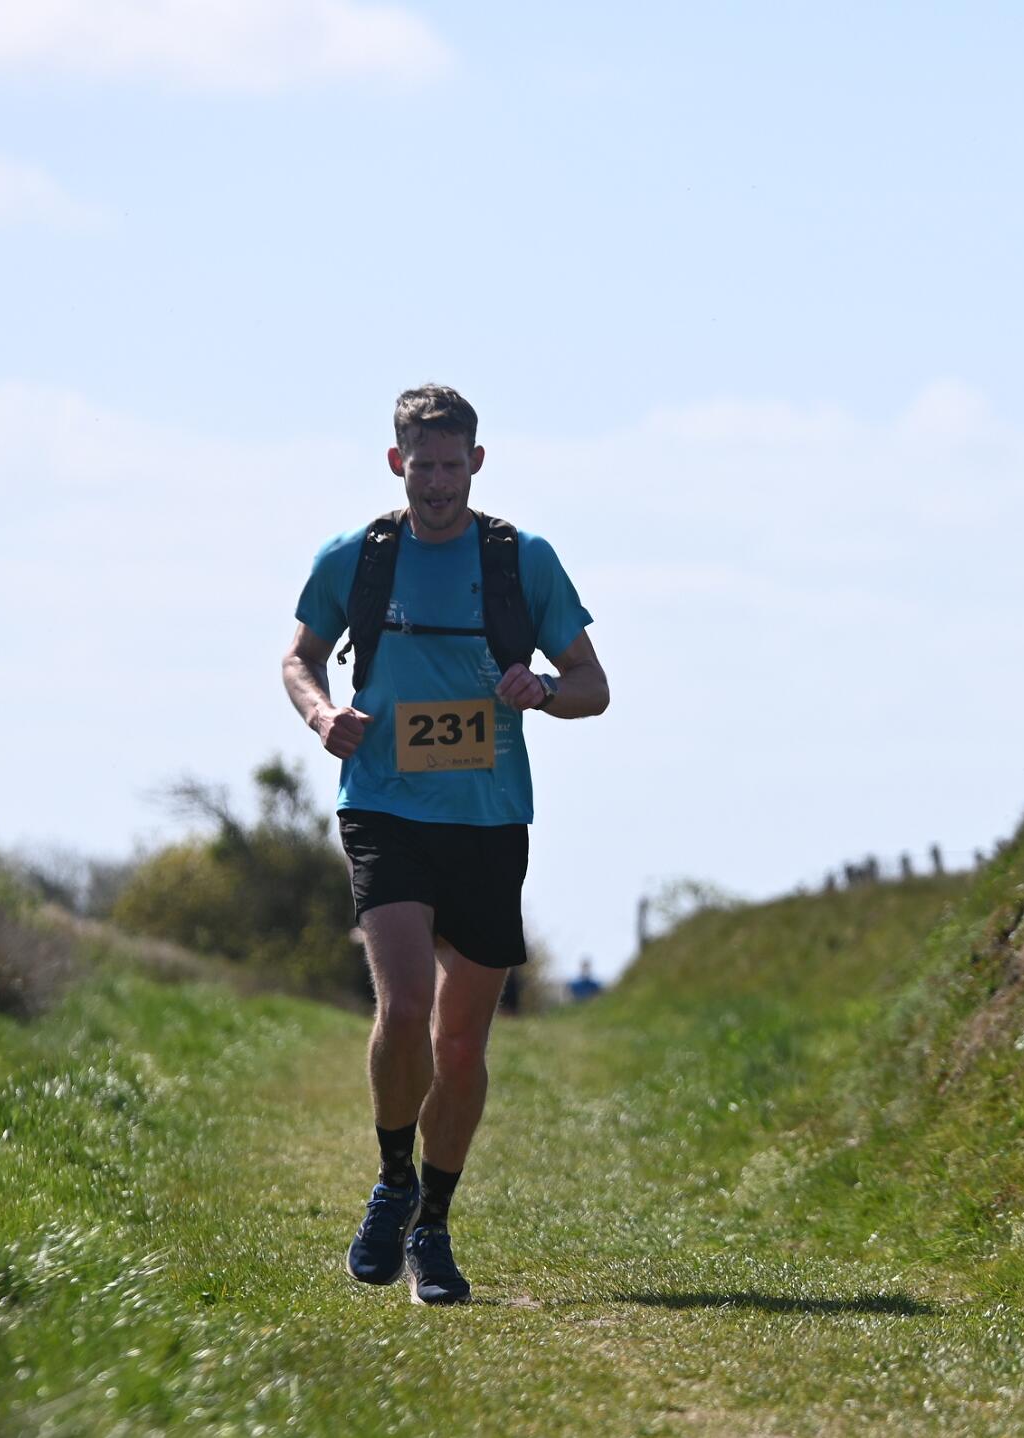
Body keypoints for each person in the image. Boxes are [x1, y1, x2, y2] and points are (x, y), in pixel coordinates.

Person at [280, 384, 608, 1305]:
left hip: (489, 817)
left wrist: (543, 690)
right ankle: (393, 1182)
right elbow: (299, 658)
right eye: (420, 465)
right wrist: (323, 716)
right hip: (384, 805)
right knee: (405, 1007)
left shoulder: (520, 560)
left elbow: (593, 686)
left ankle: (432, 1222)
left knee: (460, 1045)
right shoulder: (357, 557)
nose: (435, 482)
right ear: (397, 463)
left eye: (450, 465)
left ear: (476, 464)